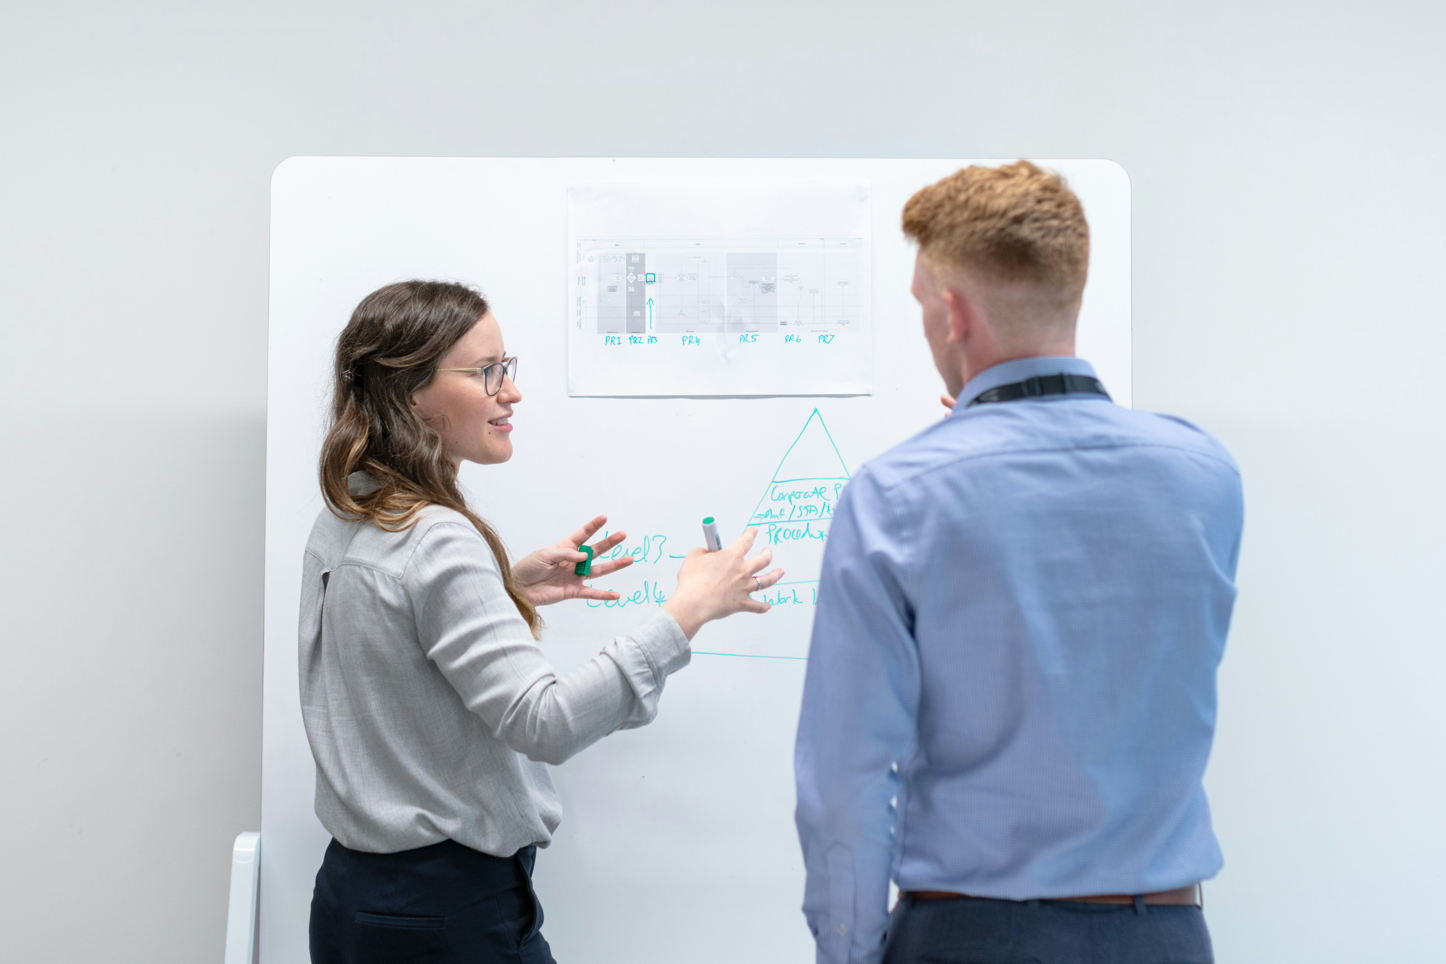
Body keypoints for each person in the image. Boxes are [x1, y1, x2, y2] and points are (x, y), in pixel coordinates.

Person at [794, 162, 1243, 964]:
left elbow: (848, 784)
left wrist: (847, 952)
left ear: (954, 315)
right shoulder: (1204, 476)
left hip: (976, 937)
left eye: (923, 308)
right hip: (1169, 937)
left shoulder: (898, 497)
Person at [301, 280, 783, 963]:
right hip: (445, 915)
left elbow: (386, 645)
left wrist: (503, 589)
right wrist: (688, 612)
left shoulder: (353, 510)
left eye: (507, 367)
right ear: (410, 394)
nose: (510, 392)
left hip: (358, 901)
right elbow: (545, 722)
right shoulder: (437, 538)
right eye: (484, 372)